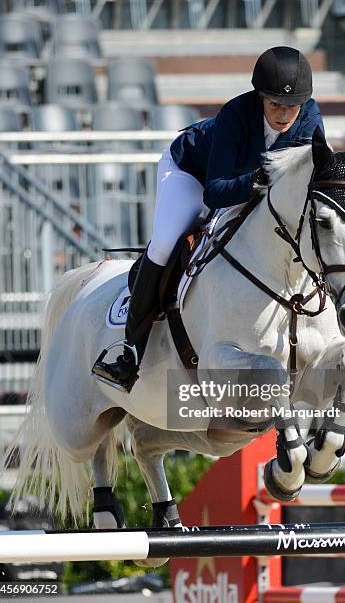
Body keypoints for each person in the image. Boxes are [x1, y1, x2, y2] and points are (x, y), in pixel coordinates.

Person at [92, 46, 325, 392]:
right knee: (167, 241)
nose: (283, 113)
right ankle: (129, 351)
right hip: (192, 173)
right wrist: (254, 182)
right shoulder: (236, 114)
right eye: (275, 104)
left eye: (291, 106)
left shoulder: (310, 121)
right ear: (260, 97)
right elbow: (214, 193)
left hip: (253, 186)